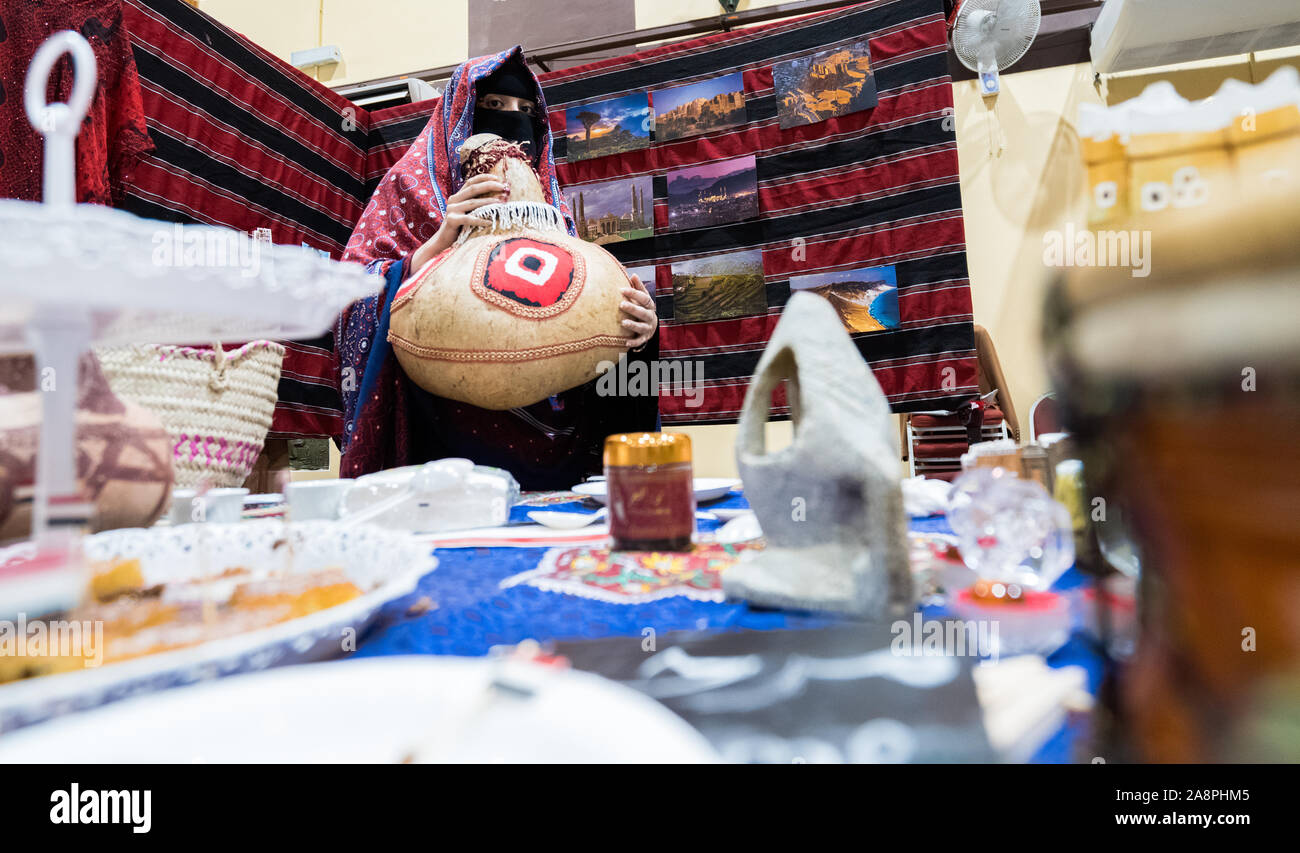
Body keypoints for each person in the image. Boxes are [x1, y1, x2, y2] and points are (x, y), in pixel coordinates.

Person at [336, 47, 659, 490]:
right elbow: (349, 298)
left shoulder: (552, 210)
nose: (513, 121)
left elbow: (578, 311)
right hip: (445, 458)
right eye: (493, 106)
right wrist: (433, 247)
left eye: (527, 111)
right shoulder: (409, 189)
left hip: (559, 455)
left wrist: (640, 329)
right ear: (460, 115)